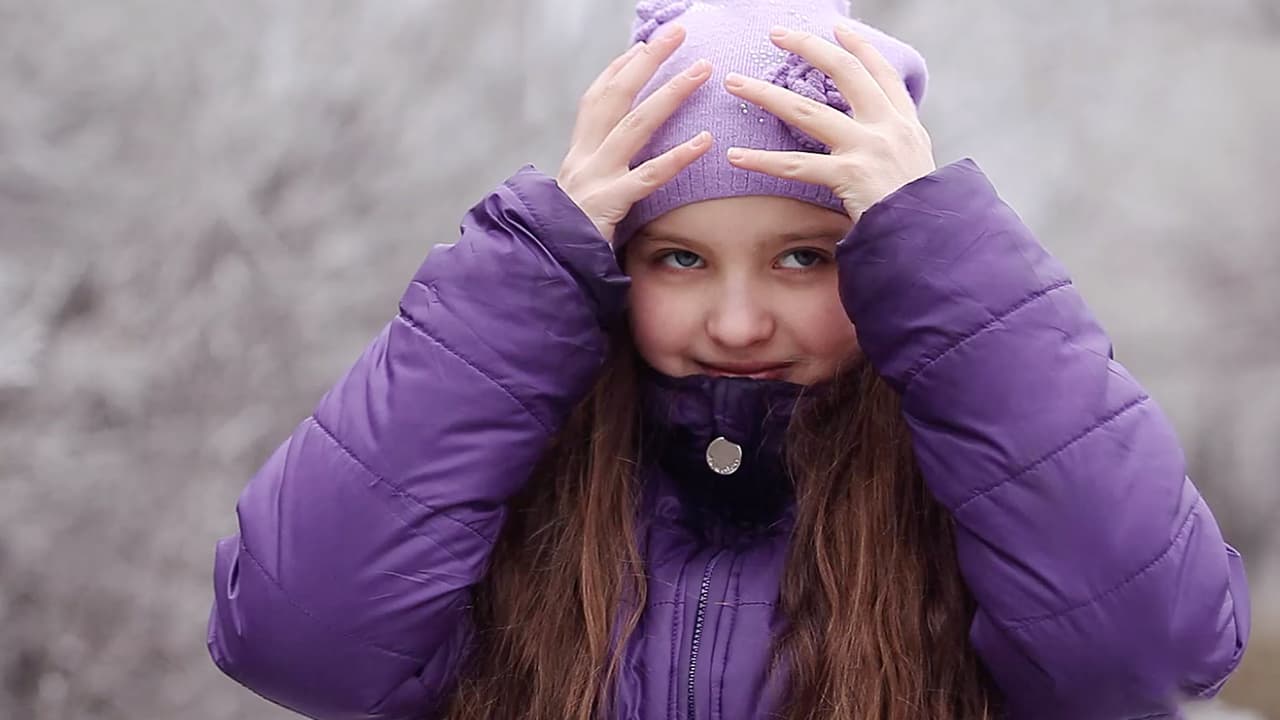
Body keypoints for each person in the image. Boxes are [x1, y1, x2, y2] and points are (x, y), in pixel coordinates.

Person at [205, 1, 1251, 718]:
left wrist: (942, 253)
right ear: (614, 260)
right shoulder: (510, 490)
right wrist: (524, 276)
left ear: (888, 265)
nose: (739, 321)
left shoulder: (970, 505)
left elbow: (1148, 653)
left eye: (805, 257)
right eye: (679, 258)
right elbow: (293, 637)